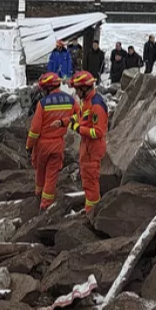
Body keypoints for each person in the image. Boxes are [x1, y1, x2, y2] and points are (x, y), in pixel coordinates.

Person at [56, 71, 108, 212]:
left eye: (77, 90)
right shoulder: (87, 102)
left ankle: (92, 213)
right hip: (87, 147)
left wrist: (79, 129)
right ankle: (91, 209)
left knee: (91, 183)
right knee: (87, 181)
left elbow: (98, 132)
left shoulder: (96, 105)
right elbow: (78, 117)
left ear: (84, 88)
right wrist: (63, 122)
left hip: (93, 149)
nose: (76, 93)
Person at [26, 72, 77, 210]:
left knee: (40, 170)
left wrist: (29, 145)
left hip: (42, 144)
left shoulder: (42, 104)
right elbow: (79, 115)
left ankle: (39, 195)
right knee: (52, 174)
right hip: (58, 143)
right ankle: (46, 204)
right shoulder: (70, 100)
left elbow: (35, 129)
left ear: (47, 88)